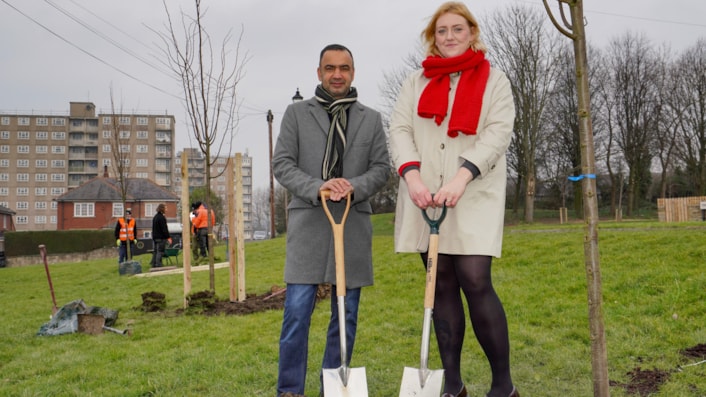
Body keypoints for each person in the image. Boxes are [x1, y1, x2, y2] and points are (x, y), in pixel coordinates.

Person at [389, 3, 519, 397]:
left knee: (475, 279)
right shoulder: (415, 82)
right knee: (440, 283)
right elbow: (399, 128)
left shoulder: (495, 81)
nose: (449, 36)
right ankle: (454, 385)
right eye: (441, 30)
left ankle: (503, 386)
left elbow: (497, 133)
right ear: (433, 37)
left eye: (457, 29)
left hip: (474, 192)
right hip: (424, 194)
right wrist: (412, 177)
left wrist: (463, 177)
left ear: (471, 32)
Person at [272, 43, 390, 397]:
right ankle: (290, 390)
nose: (337, 74)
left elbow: (382, 168)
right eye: (329, 68)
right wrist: (319, 186)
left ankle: (332, 389)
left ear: (353, 73)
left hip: (352, 224)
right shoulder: (296, 114)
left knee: (346, 315)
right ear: (319, 72)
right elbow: (282, 164)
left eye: (344, 68)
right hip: (309, 222)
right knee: (296, 315)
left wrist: (351, 186)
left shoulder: (370, 118)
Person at [150, 204, 172, 268]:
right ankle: (158, 264)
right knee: (160, 251)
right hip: (161, 237)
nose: (166, 210)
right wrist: (168, 237)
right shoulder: (162, 218)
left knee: (155, 251)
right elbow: (164, 228)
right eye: (166, 208)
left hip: (155, 237)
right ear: (162, 209)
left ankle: (154, 263)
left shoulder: (155, 217)